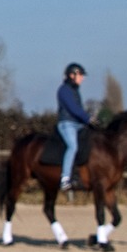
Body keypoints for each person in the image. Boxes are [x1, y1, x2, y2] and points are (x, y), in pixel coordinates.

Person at [56, 62, 91, 190]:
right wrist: (88, 118)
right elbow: (73, 108)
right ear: (72, 75)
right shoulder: (64, 90)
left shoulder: (75, 90)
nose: (83, 78)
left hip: (78, 124)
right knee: (72, 146)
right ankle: (65, 178)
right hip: (67, 123)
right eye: (80, 75)